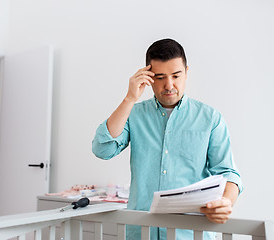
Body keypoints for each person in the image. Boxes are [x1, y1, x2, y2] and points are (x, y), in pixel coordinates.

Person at [92, 38, 243, 240]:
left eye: (176, 75)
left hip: (190, 234)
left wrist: (225, 201)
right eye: (160, 77)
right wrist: (130, 98)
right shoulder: (134, 114)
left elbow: (228, 173)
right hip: (140, 232)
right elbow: (103, 150)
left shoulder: (210, 119)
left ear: (187, 72)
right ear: (148, 77)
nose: (169, 85)